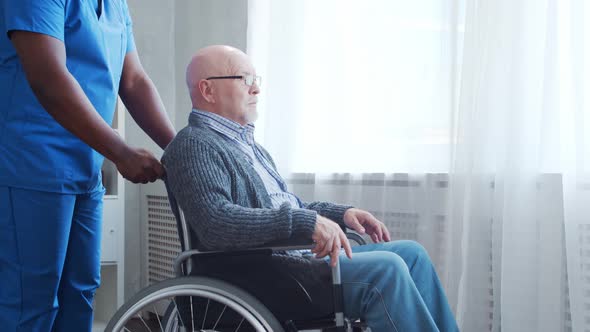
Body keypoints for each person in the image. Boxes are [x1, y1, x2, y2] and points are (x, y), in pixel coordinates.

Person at [163, 45, 459, 332]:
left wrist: (342, 214)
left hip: (292, 262)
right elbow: (218, 223)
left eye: (256, 80)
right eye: (245, 79)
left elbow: (287, 207)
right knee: (387, 270)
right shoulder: (193, 145)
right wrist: (307, 222)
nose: (256, 89)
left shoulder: (252, 148)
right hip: (258, 277)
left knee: (412, 254)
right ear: (207, 90)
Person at [0, 1, 176, 331]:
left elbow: (134, 80)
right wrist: (121, 151)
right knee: (31, 301)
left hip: (85, 167)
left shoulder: (115, 6)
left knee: (80, 293)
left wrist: (181, 149)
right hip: (31, 164)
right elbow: (48, 77)